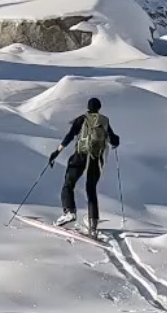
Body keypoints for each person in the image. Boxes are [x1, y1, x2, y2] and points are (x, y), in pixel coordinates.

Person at [51, 97, 121, 231]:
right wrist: (116, 141)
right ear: (99, 107)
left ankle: (69, 212)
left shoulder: (82, 119)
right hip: (95, 158)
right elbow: (113, 140)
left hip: (80, 156)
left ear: (88, 107)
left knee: (68, 184)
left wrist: (57, 152)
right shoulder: (104, 121)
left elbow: (70, 136)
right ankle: (93, 223)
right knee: (91, 189)